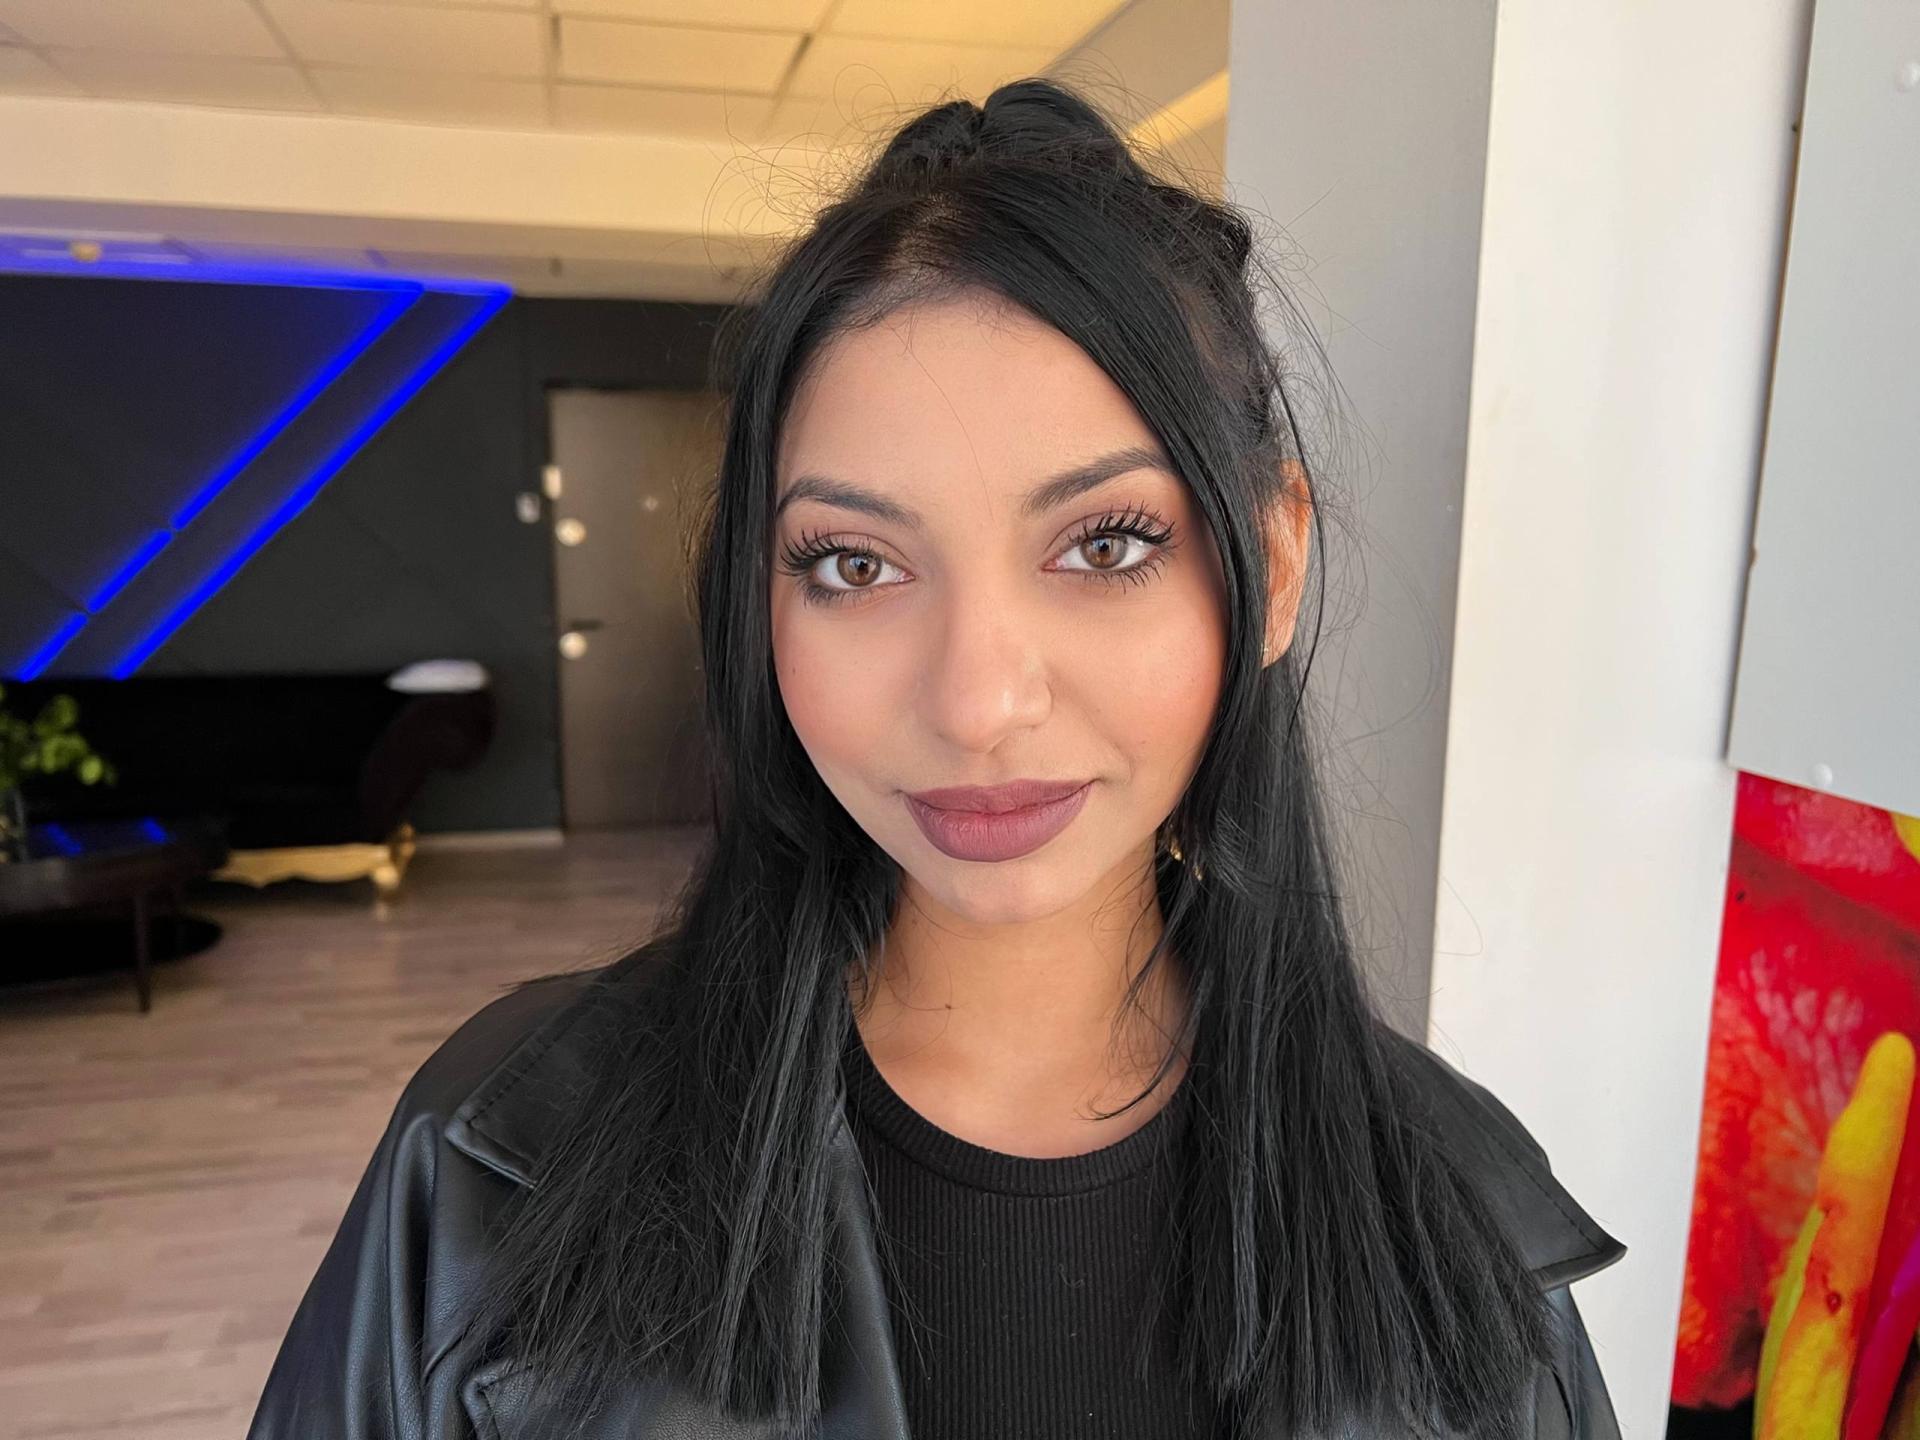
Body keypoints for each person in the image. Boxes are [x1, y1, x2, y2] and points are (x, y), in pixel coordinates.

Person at [246, 77, 1627, 1440]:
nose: (976, 703)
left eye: (1105, 544)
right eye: (856, 564)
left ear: (1272, 564)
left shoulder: (1463, 1230)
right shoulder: (499, 1168)